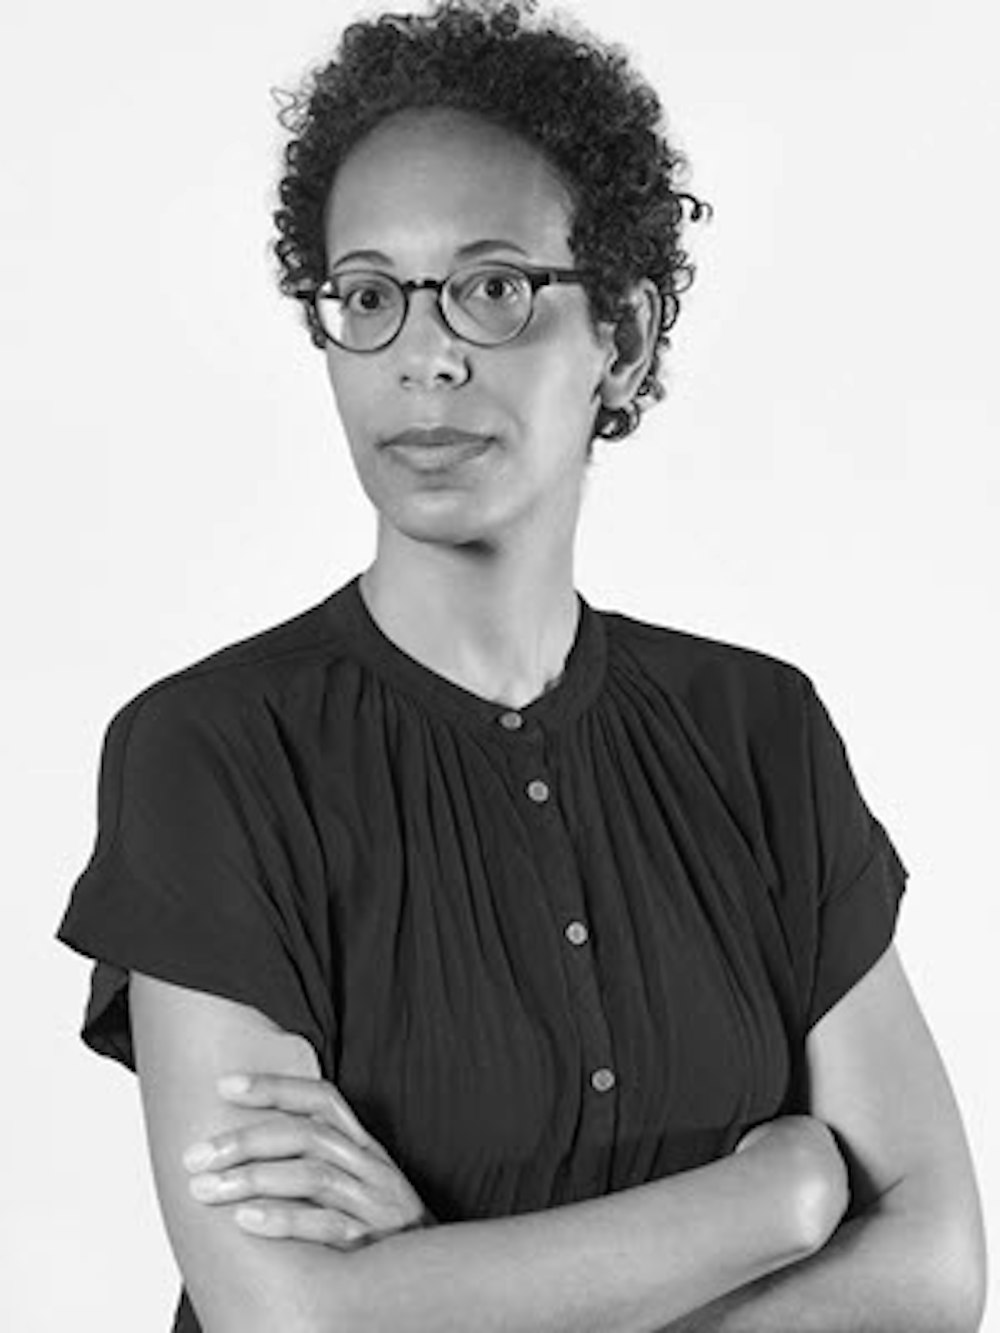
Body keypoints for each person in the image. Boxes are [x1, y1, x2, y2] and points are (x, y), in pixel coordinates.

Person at [55, 2, 987, 1331]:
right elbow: (290, 1319)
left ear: (625, 335)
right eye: (368, 296)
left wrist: (429, 1291)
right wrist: (770, 1203)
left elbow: (936, 1270)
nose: (424, 356)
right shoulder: (212, 753)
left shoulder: (757, 732)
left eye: (494, 289)